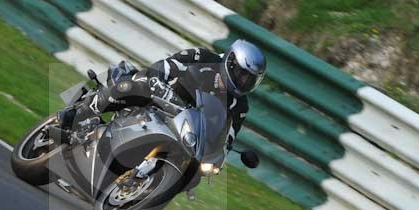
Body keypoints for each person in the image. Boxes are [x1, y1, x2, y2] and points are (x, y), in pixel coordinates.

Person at [58, 39, 267, 147]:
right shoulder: (203, 57)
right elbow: (167, 65)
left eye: (250, 79)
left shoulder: (240, 106)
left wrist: (219, 152)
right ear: (231, 61)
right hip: (159, 98)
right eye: (242, 74)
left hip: (183, 129)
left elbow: (227, 138)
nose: (243, 81)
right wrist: (158, 79)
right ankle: (80, 113)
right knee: (136, 85)